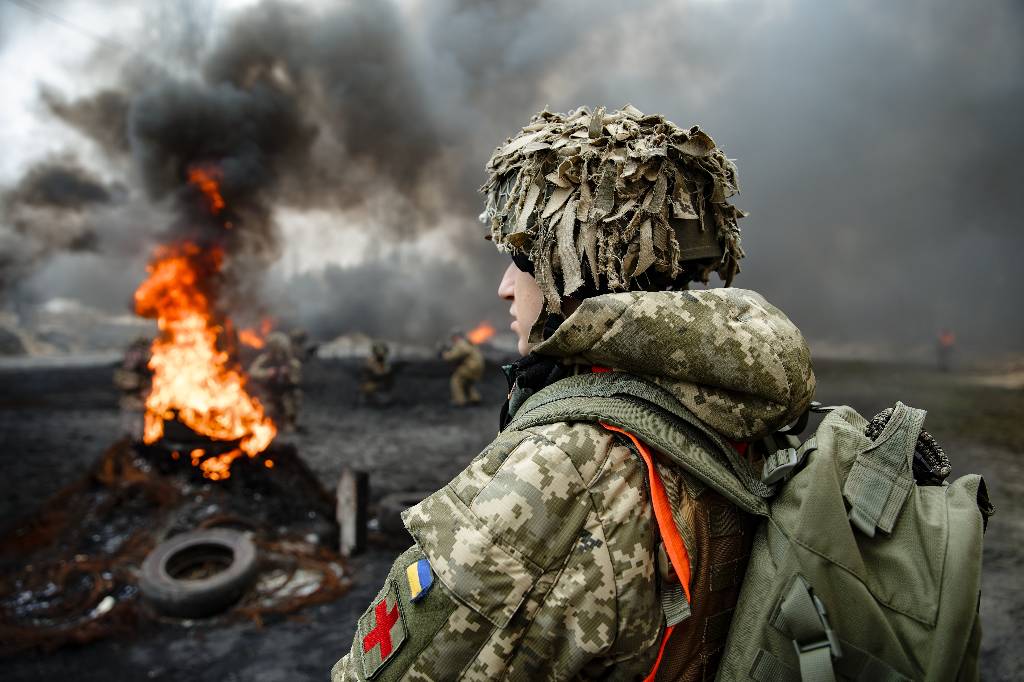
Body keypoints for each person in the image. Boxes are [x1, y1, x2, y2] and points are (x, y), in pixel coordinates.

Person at [331, 106, 814, 680]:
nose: (505, 288)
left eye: (520, 260)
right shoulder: (728, 403)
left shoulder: (566, 465)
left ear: (580, 265)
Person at [248, 331, 302, 431]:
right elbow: (252, 372)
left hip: (286, 394)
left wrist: (286, 376)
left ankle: (289, 421)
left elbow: (295, 380)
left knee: (293, 397)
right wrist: (269, 373)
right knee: (265, 409)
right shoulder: (265, 359)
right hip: (269, 393)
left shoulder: (292, 363)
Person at [113, 335, 151, 439]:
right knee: (128, 435)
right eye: (131, 353)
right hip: (129, 408)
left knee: (139, 435)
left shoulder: (149, 370)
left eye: (135, 353)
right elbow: (124, 383)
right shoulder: (124, 372)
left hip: (142, 410)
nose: (131, 356)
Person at [441, 329, 485, 406]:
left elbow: (452, 356)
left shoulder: (461, 344)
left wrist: (444, 354)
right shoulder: (469, 343)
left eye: (453, 337)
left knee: (456, 380)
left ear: (456, 337)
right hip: (479, 367)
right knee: (467, 383)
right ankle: (474, 398)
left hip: (471, 367)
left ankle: (460, 401)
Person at [359, 340, 395, 407]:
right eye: (379, 351)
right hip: (372, 387)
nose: (381, 354)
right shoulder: (370, 362)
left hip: (381, 388)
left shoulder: (385, 363)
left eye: (382, 352)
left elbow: (386, 374)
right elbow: (370, 374)